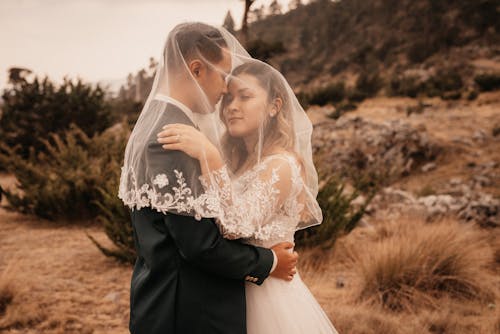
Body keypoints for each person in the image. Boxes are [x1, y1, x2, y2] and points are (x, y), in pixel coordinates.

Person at [118, 22, 299, 334]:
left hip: (169, 303)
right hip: (188, 312)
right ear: (197, 70)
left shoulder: (157, 126)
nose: (225, 90)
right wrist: (269, 262)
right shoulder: (175, 137)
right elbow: (200, 246)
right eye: (223, 77)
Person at [157, 58, 339, 333]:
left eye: (245, 97)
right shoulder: (239, 163)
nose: (232, 107)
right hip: (229, 295)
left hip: (269, 301)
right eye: (228, 98)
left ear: (274, 107)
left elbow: (235, 226)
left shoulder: (281, 165)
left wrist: (210, 158)